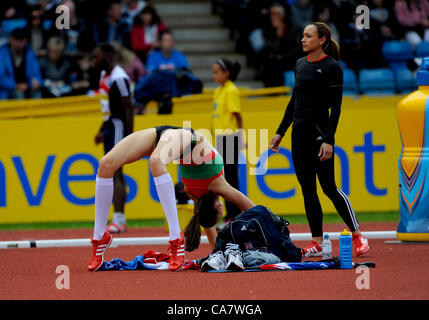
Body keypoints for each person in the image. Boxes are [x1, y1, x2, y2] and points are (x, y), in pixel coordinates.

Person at [88, 125, 255, 271]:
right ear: (218, 207)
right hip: (186, 138)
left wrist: (215, 254)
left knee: (106, 164)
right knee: (148, 162)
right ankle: (175, 237)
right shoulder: (220, 186)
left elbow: (207, 221)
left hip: (164, 138)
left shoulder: (200, 196)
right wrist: (277, 227)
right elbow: (254, 210)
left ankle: (99, 237)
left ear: (220, 208)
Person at [269, 22, 370, 258]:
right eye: (302, 35)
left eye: (308, 36)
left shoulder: (332, 67)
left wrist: (329, 139)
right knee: (308, 190)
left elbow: (336, 107)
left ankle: (357, 234)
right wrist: (280, 131)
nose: (303, 39)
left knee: (328, 187)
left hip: (319, 136)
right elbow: (294, 101)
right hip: (298, 136)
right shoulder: (300, 64)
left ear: (322, 39)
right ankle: (316, 240)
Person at [92, 43, 134, 234]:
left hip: (118, 126)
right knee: (109, 170)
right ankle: (116, 218)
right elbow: (108, 106)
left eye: (96, 57)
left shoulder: (119, 78)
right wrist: (102, 129)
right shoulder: (104, 75)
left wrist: (130, 136)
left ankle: (119, 219)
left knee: (116, 170)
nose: (94, 61)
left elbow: (128, 108)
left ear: (108, 57)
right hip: (110, 125)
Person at [211, 58, 245, 229]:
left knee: (230, 178)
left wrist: (241, 134)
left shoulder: (231, 90)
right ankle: (231, 214)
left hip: (230, 138)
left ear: (227, 73)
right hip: (221, 139)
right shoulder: (219, 91)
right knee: (225, 177)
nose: (213, 75)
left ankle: (234, 215)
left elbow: (237, 115)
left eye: (216, 71)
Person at [0, 27, 43, 100]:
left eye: (21, 40)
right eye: (16, 40)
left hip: (27, 86)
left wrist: (36, 82)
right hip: (10, 88)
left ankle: (37, 112)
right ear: (10, 39)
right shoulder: (2, 54)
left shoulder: (30, 53)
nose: (19, 43)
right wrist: (15, 85)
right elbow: (1, 77)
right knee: (18, 94)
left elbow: (36, 73)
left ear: (25, 40)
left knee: (37, 93)